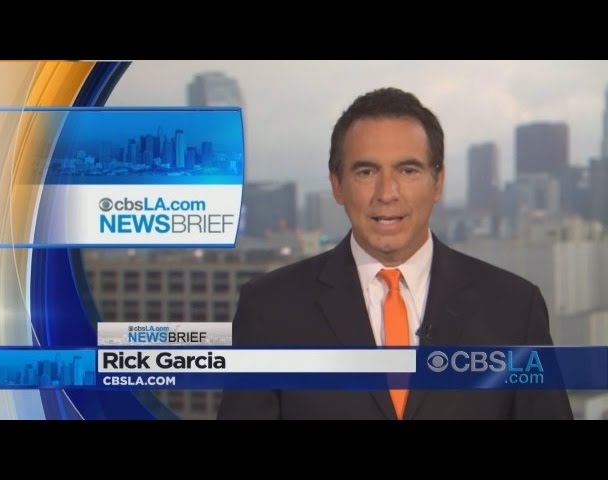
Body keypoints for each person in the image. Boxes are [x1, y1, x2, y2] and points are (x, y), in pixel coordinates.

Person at [217, 87, 573, 420]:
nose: (387, 193)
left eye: (408, 170)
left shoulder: (514, 310)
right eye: (366, 171)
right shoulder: (269, 310)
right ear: (337, 185)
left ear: (438, 182)